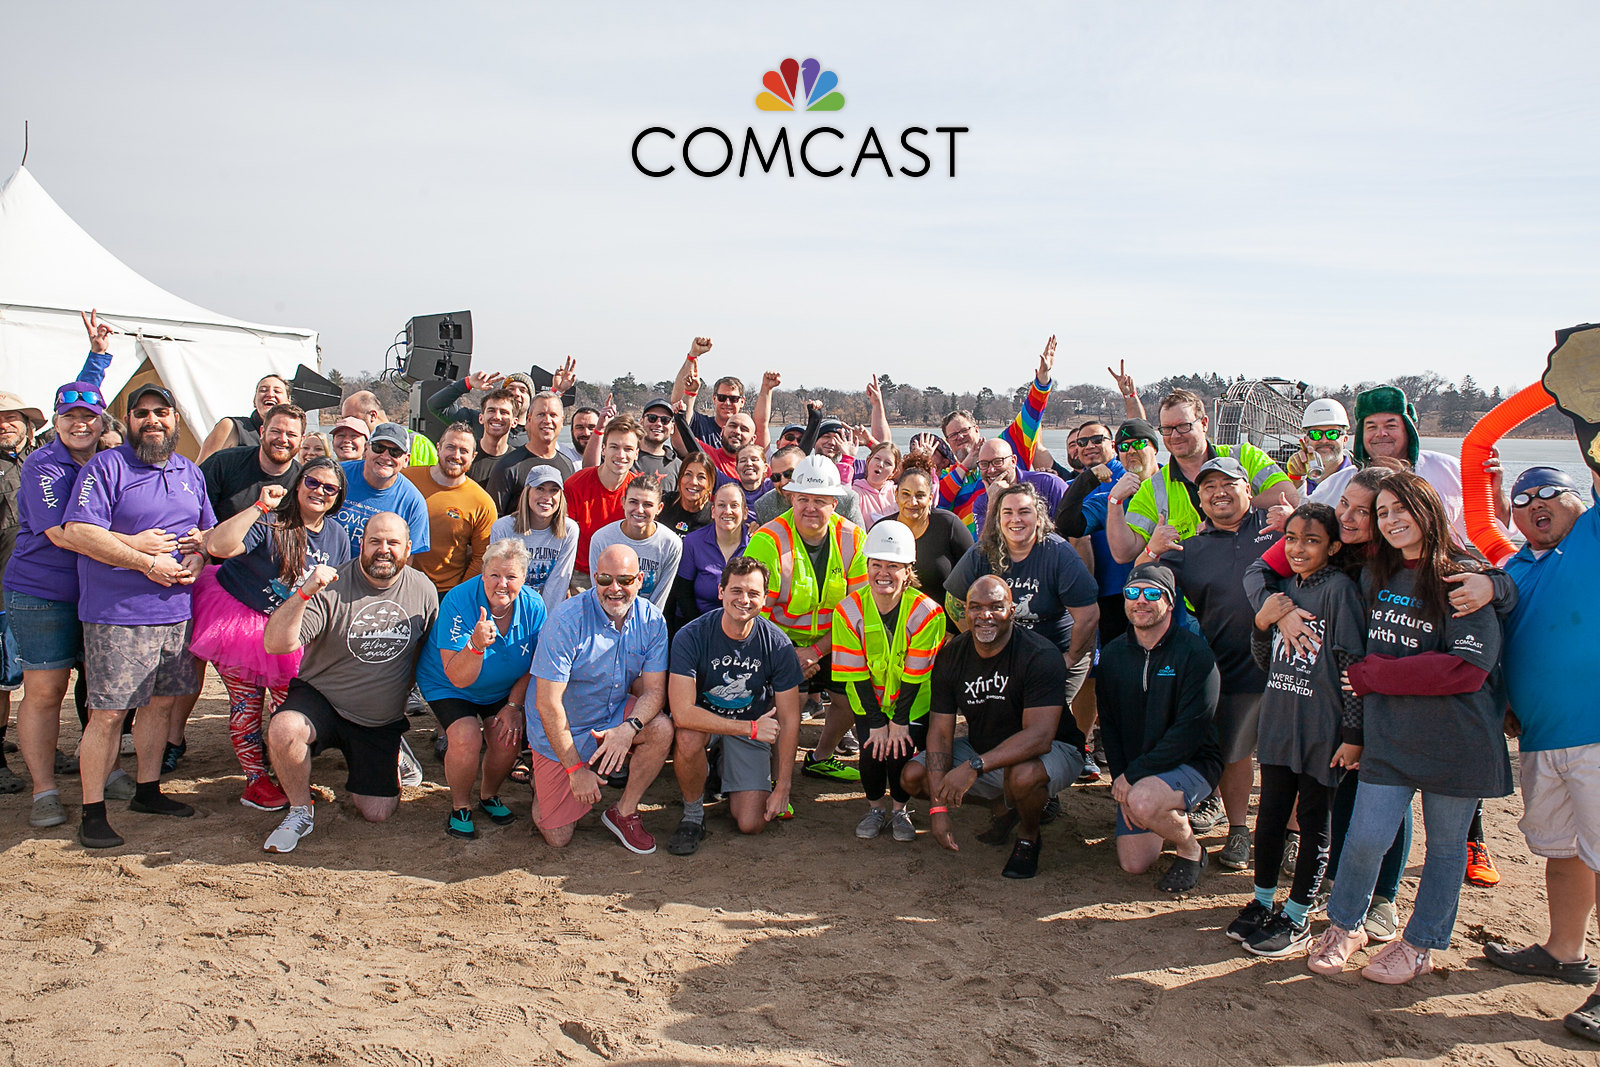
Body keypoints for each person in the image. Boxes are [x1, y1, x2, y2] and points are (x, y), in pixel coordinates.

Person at [1308, 473, 1511, 985]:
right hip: (1391, 735)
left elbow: (1468, 667)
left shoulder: (1461, 575)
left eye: (1403, 509)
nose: (1392, 520)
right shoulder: (1378, 573)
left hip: (1457, 739)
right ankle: (1345, 925)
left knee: (1445, 850)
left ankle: (1420, 944)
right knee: (1364, 838)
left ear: (1430, 510)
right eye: (1383, 513)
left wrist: (1374, 675)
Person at [62, 384, 212, 849]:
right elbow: (79, 530)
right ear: (127, 421)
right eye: (141, 413)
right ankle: (92, 810)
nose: (152, 420)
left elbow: (203, 531)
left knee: (161, 706)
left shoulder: (190, 471)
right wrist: (145, 561)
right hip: (118, 614)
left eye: (161, 412)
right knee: (107, 715)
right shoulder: (107, 467)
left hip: (176, 613)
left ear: (174, 419)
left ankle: (148, 790)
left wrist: (197, 558)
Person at [1482, 465, 1600, 1040]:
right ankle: (1564, 950)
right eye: (1523, 499)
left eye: (1551, 493)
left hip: (1596, 733)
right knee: (1564, 850)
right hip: (1539, 737)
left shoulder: (1594, 537)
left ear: (1580, 499)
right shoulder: (1512, 569)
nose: (1536, 505)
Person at [1226, 503, 1366, 958]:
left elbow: (1349, 665)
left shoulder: (1340, 592)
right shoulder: (1284, 591)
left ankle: (1299, 913)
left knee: (1312, 823)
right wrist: (1262, 622)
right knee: (1269, 818)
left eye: (1312, 540)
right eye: (1291, 539)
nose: (1299, 548)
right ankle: (1264, 901)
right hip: (1281, 721)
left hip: (1321, 728)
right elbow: (1267, 662)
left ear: (1334, 546)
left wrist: (1352, 732)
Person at [260, 513, 439, 853]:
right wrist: (303, 592)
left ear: (408, 548)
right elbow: (276, 644)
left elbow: (426, 652)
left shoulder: (423, 590)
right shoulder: (332, 584)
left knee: (378, 812)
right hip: (323, 699)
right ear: (362, 543)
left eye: (392, 543)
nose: (383, 550)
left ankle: (395, 751)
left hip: (378, 718)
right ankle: (300, 811)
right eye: (375, 541)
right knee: (285, 729)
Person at [193, 458, 351, 811]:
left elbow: (333, 591)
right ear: (298, 483)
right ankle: (255, 781)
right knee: (246, 705)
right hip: (241, 622)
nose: (319, 492)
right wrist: (261, 505)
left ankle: (286, 775)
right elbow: (219, 547)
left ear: (338, 497)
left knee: (287, 708)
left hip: (290, 629)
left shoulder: (337, 534)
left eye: (330, 488)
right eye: (312, 482)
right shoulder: (272, 520)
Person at [902, 576, 1081, 879]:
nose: (985, 615)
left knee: (1022, 775)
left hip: (1055, 749)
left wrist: (974, 766)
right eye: (976, 607)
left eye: (996, 607)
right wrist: (938, 809)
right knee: (913, 777)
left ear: (1012, 611)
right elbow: (941, 732)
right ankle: (1004, 804)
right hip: (983, 748)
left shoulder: (1039, 654)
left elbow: (1040, 737)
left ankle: (1028, 836)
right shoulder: (952, 655)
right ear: (965, 612)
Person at [1155, 456, 1283, 869]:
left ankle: (1293, 834)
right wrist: (1150, 550)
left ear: (1249, 490)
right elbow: (1141, 586)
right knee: (1236, 754)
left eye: (1228, 484)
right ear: (1199, 500)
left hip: (1292, 666)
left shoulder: (1279, 530)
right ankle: (1239, 830)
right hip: (1231, 666)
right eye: (1208, 488)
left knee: (1291, 757)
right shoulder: (1190, 550)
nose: (1218, 493)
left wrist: (1296, 519)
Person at [5, 375, 114, 825]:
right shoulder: (42, 464)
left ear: (101, 420)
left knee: (103, 691)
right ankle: (44, 790)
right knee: (45, 692)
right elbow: (62, 534)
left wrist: (100, 359)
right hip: (42, 592)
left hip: (98, 592)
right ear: (54, 420)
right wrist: (141, 551)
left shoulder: (111, 462)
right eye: (70, 416)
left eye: (88, 416)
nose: (79, 424)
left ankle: (108, 772)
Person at [527, 543, 673, 852]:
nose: (614, 589)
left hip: (612, 714)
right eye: (605, 580)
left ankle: (624, 811)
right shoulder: (566, 620)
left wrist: (628, 728)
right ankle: (543, 780)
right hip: (564, 727)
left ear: (640, 580)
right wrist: (573, 771)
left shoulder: (652, 620)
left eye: (624, 580)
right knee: (558, 837)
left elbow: (655, 691)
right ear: (594, 578)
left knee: (660, 729)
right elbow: (547, 704)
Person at [1097, 563, 1223, 893]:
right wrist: (1122, 780)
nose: (1141, 600)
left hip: (1192, 763)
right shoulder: (1112, 655)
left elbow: (1190, 732)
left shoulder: (1195, 654)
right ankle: (1153, 807)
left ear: (1169, 602)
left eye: (1152, 594)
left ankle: (1191, 850)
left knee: (1142, 801)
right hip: (1140, 772)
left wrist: (1134, 778)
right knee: (1134, 863)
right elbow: (1108, 725)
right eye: (1133, 593)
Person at [743, 454, 868, 784]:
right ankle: (772, 778)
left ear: (835, 503)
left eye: (820, 501)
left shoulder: (853, 538)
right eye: (803, 499)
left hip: (833, 642)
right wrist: (789, 656)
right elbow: (754, 611)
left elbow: (857, 609)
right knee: (789, 705)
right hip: (778, 643)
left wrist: (816, 652)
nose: (810, 508)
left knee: (851, 697)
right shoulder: (767, 540)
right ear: (790, 498)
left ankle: (820, 758)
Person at [666, 555, 803, 854]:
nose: (744, 599)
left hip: (749, 728)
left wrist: (783, 787)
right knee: (687, 737)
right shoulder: (691, 636)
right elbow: (682, 713)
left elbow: (791, 719)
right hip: (711, 723)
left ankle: (723, 767)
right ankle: (693, 815)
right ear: (720, 592)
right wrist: (750, 728)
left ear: (765, 599)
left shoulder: (777, 644)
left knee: (751, 823)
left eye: (753, 593)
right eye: (736, 591)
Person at [416, 538, 546, 840]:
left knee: (507, 739)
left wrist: (514, 707)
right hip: (449, 684)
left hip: (502, 687)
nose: (502, 583)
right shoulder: (459, 601)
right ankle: (460, 806)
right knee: (465, 736)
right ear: (482, 573)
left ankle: (488, 796)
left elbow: (536, 664)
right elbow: (458, 677)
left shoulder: (534, 605)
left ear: (524, 579)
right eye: (494, 575)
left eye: (511, 577)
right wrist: (475, 645)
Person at [832, 521, 946, 842]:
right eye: (876, 564)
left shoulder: (927, 612)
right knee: (870, 753)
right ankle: (875, 808)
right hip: (868, 699)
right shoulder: (848, 610)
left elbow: (916, 672)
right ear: (866, 567)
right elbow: (854, 671)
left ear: (908, 570)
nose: (883, 573)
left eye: (893, 565)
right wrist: (876, 720)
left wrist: (898, 721)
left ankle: (899, 810)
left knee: (900, 752)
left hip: (911, 701)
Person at [944, 482, 1100, 708]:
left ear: (1039, 518)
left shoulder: (1059, 554)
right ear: (998, 520)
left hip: (1058, 650)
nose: (1015, 519)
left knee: (1048, 716)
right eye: (1007, 512)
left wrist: (1071, 658)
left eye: (1024, 511)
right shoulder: (982, 552)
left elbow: (1088, 615)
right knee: (1006, 714)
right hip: (1006, 654)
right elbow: (953, 600)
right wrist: (984, 642)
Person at [1106, 388, 1294, 564]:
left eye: (1183, 426)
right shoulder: (1153, 488)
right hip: (1197, 592)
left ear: (1204, 424)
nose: (1175, 435)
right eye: (1167, 429)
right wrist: (1115, 501)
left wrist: (1220, 518)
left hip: (1259, 571)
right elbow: (1123, 554)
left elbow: (1290, 496)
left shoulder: (1244, 456)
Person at [1054, 418, 1147, 770]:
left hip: (1148, 593)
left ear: (1115, 444)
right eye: (1081, 442)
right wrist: (1090, 478)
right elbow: (1069, 522)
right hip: (1105, 594)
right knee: (1101, 673)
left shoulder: (1140, 473)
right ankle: (1095, 744)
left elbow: (1144, 438)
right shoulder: (1094, 484)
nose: (1089, 446)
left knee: (1143, 675)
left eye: (1097, 439)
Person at [1310, 383, 1508, 543]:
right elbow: (1308, 528)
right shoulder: (1339, 483)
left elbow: (1494, 531)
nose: (1381, 433)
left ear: (1408, 429)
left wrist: (1494, 493)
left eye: (1390, 425)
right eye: (1371, 426)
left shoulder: (1449, 469)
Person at [937, 337, 1057, 535]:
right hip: (972, 555)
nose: (960, 437)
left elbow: (1030, 415)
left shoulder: (1004, 446)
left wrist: (1042, 380)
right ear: (948, 442)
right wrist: (967, 463)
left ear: (976, 429)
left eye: (964, 431)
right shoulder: (948, 476)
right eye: (953, 435)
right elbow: (937, 504)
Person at [403, 423, 496, 595]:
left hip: (444, 592)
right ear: (438, 448)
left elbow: (481, 557)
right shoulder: (407, 478)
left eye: (464, 451)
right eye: (450, 447)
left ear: (473, 456)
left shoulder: (482, 503)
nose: (456, 455)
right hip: (401, 586)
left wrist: (459, 594)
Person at [331, 422, 431, 559]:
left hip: (371, 577)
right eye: (379, 447)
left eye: (395, 452)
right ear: (366, 449)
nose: (385, 456)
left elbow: (406, 559)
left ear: (406, 460)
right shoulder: (336, 475)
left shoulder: (413, 502)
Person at [564, 415, 642, 589]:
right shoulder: (575, 485)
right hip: (579, 576)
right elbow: (561, 539)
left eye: (628, 449)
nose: (621, 455)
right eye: (614, 447)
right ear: (604, 449)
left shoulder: (639, 494)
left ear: (636, 453)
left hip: (622, 578)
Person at [489, 466, 577, 614]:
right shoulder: (502, 528)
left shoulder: (570, 530)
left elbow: (559, 582)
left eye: (554, 490)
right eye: (540, 489)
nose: (547, 497)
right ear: (527, 492)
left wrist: (544, 620)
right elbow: (499, 579)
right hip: (509, 608)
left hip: (546, 610)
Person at [587, 477, 682, 612]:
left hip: (646, 620)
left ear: (659, 508)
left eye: (648, 504)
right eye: (633, 502)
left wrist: (646, 626)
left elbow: (661, 595)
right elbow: (599, 590)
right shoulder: (602, 539)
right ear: (623, 502)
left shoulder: (671, 544)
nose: (639, 510)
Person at [199, 402, 304, 521]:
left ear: (301, 440)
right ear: (262, 432)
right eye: (276, 431)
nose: (283, 439)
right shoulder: (223, 463)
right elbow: (194, 507)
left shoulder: (303, 482)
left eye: (291, 434)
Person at [890, 455, 973, 601]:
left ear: (930, 498)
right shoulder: (883, 529)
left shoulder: (948, 524)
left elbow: (974, 570)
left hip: (944, 619)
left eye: (920, 495)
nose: (912, 502)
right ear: (896, 495)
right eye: (905, 494)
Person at [669, 481, 748, 633]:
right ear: (713, 511)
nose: (727, 511)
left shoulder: (755, 544)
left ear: (745, 512)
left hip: (741, 628)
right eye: (721, 505)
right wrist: (705, 631)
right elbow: (683, 594)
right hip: (696, 625)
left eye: (734, 505)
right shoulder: (693, 542)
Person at [487, 390, 577, 515]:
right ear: (529, 420)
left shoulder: (567, 465)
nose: (547, 420)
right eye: (541, 414)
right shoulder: (508, 466)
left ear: (562, 422)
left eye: (553, 415)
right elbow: (493, 517)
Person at [968, 437, 1066, 538]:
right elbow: (985, 546)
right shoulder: (982, 502)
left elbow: (1074, 533)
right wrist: (993, 502)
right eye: (984, 464)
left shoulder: (1049, 484)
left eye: (998, 462)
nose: (991, 470)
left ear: (1013, 461)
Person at [752, 445, 866, 529]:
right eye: (776, 477)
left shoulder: (846, 500)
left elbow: (861, 547)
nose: (783, 482)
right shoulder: (764, 506)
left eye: (790, 474)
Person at [425, 370, 533, 450]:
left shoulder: (536, 432)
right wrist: (467, 383)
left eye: (523, 390)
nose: (516, 393)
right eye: (511, 389)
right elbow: (436, 406)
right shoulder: (481, 421)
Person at [198, 373, 291, 461]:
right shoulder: (231, 426)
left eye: (277, 391)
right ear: (254, 401)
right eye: (263, 390)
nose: (270, 394)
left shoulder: (291, 438)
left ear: (288, 402)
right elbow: (198, 472)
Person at [342, 391, 438, 468]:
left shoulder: (417, 443)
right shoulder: (353, 447)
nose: (348, 423)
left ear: (372, 415)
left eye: (395, 451)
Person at [1285, 398, 1354, 496]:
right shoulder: (1296, 479)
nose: (1324, 440)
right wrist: (1296, 478)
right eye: (1316, 434)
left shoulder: (1356, 480)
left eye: (1332, 434)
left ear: (1345, 440)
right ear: (1306, 441)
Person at [461, 387, 521, 487]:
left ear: (514, 422)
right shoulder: (463, 454)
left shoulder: (518, 461)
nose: (497, 417)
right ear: (481, 418)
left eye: (504, 412)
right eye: (491, 411)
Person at [660, 452, 718, 536]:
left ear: (710, 484)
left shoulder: (715, 516)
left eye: (701, 477)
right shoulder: (663, 503)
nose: (693, 482)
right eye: (688, 474)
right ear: (680, 478)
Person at [634, 396, 682, 490]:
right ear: (641, 422)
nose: (658, 424)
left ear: (672, 428)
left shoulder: (678, 467)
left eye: (665, 420)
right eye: (652, 418)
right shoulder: (626, 457)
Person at [851, 442, 901, 528]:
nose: (880, 464)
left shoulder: (899, 493)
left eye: (888, 463)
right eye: (877, 458)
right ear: (868, 461)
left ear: (894, 472)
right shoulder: (855, 493)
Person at [734, 443, 771, 510]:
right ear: (736, 469)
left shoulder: (773, 486)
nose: (748, 463)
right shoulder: (730, 487)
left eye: (754, 459)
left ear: (765, 467)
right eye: (743, 460)